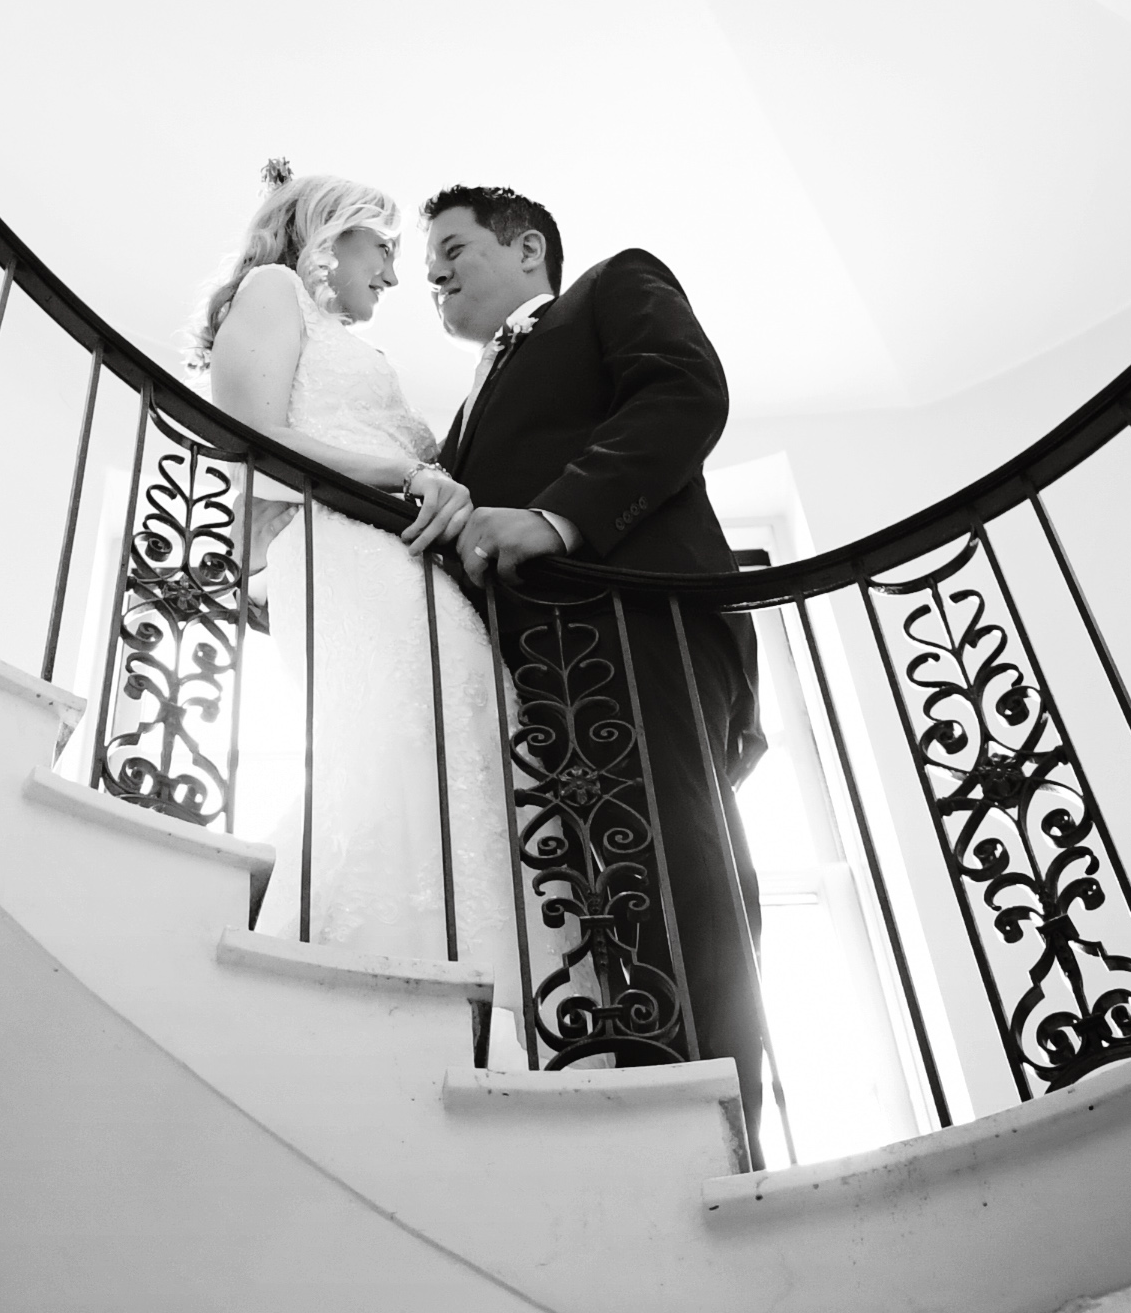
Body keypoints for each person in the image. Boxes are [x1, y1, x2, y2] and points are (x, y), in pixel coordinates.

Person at [402, 183, 767, 1112]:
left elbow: (684, 393)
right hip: (531, 671)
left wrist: (561, 517)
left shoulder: (612, 288)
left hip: (635, 623)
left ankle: (715, 1121)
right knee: (587, 892)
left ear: (528, 250)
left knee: (677, 869)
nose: (431, 270)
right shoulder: (464, 414)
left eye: (453, 245)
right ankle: (627, 1100)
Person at [194, 164, 557, 1017]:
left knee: (466, 736)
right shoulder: (273, 289)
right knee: (393, 741)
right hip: (345, 554)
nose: (396, 276)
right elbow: (253, 440)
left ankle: (500, 993)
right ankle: (368, 986)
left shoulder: (353, 342)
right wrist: (403, 471)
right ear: (333, 229)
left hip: (405, 567)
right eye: (386, 249)